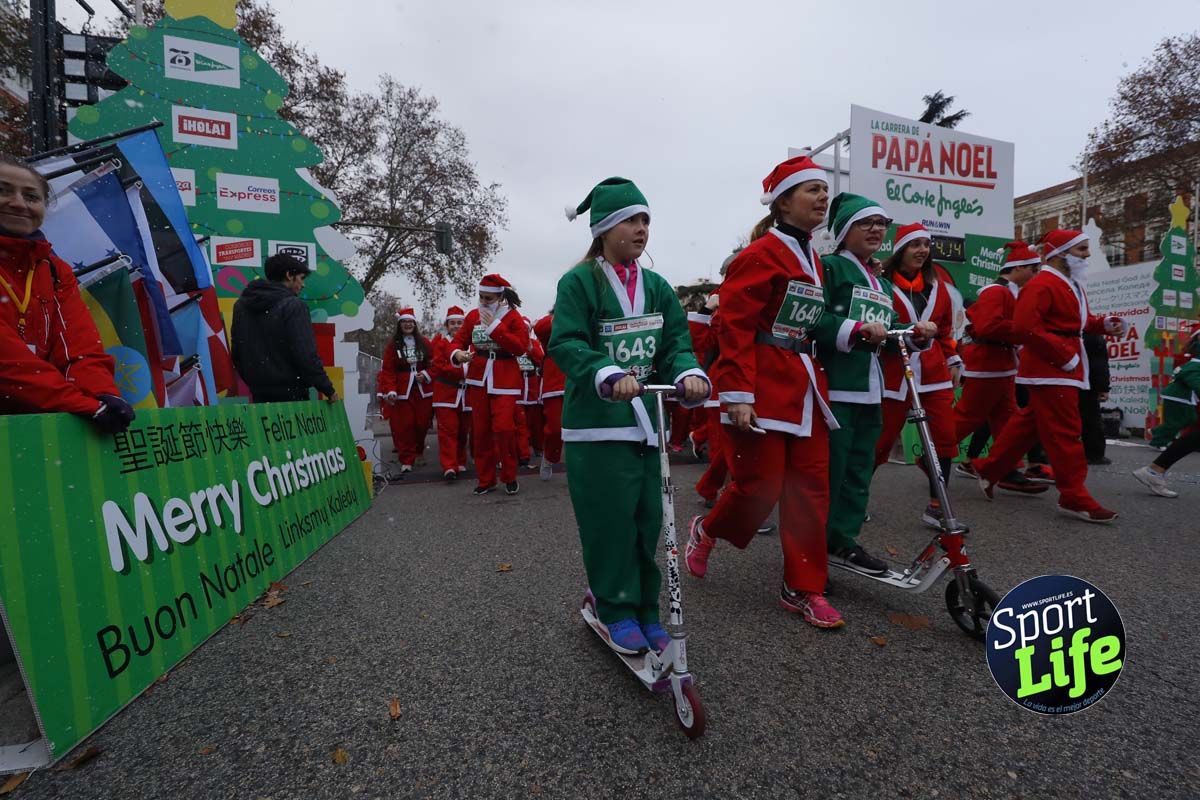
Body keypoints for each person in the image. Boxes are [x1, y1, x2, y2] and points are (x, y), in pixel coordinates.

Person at [685, 158, 854, 629]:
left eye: (825, 189)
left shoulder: (813, 258)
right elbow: (734, 326)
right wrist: (737, 393)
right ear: (782, 201)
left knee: (810, 492)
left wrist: (855, 331)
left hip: (804, 388)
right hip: (759, 386)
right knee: (757, 491)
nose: (823, 197)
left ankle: (804, 588)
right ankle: (707, 528)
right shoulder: (759, 254)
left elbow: (810, 323)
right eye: (812, 190)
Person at [551, 176, 708, 654]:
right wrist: (606, 371)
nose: (641, 229)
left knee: (647, 521)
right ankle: (612, 606)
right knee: (609, 523)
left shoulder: (658, 288)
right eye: (630, 221)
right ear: (603, 229)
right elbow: (566, 342)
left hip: (646, 425)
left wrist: (688, 373)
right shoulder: (579, 281)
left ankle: (645, 609)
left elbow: (676, 345)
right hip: (597, 429)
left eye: (645, 220)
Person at [970, 229, 1125, 523]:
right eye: (1081, 249)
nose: (1087, 254)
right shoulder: (1042, 284)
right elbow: (1024, 327)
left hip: (1062, 366)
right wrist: (1063, 356)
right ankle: (1073, 495)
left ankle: (988, 468)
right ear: (1060, 253)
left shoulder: (1071, 284)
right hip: (1052, 368)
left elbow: (1079, 323)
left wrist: (1105, 323)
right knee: (1066, 431)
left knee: (1029, 425)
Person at [0, 156, 134, 432]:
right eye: (3, 190)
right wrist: (81, 404)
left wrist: (102, 393)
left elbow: (79, 346)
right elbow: (7, 363)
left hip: (31, 427)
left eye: (31, 196)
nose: (18, 203)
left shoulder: (53, 269)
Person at [874, 223, 962, 528]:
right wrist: (908, 333)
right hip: (895, 373)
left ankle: (937, 506)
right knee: (880, 443)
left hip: (933, 372)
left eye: (926, 244)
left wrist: (953, 359)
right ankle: (852, 500)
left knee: (945, 438)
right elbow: (874, 326)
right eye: (915, 244)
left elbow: (947, 332)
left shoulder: (940, 288)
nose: (922, 250)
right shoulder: (881, 284)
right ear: (901, 251)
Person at [951, 241, 1045, 494]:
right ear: (1019, 267)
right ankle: (932, 454)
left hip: (1000, 365)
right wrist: (1025, 332)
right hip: (988, 364)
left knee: (1007, 420)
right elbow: (988, 327)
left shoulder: (1010, 292)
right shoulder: (996, 291)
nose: (1036, 275)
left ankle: (1008, 470)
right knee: (969, 417)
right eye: (1034, 269)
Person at [450, 274, 530, 495]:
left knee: (504, 429)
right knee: (481, 432)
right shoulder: (473, 316)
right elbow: (459, 340)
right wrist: (457, 353)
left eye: (488, 297)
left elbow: (520, 348)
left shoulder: (513, 317)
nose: (484, 301)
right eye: (481, 296)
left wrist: (495, 327)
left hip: (505, 378)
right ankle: (486, 479)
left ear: (500, 296)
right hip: (478, 377)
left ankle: (509, 475)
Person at [231, 253, 337, 405]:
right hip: (293, 397)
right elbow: (306, 355)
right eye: (301, 278)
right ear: (289, 275)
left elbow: (237, 354)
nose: (303, 285)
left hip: (258, 397)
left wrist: (256, 383)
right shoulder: (293, 306)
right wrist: (328, 389)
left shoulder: (241, 306)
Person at [1133, 329, 1200, 497]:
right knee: (1191, 434)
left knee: (1193, 434)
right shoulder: (1193, 363)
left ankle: (1154, 470)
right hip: (1183, 399)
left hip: (1185, 399)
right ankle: (1154, 470)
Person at [376, 308, 434, 475]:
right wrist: (390, 390)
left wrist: (427, 375)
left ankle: (419, 450)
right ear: (399, 324)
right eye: (404, 322)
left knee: (422, 424)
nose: (408, 324)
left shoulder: (424, 342)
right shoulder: (393, 346)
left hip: (423, 390)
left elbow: (434, 363)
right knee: (405, 425)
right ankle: (406, 459)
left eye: (410, 322)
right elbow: (388, 369)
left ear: (414, 324)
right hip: (403, 390)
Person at [429, 306, 472, 480]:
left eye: (459, 323)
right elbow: (439, 366)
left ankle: (460, 461)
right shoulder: (440, 342)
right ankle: (449, 466)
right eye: (452, 323)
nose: (456, 326)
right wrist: (463, 372)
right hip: (446, 394)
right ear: (447, 325)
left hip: (467, 395)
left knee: (463, 430)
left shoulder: (471, 343)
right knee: (448, 431)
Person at [533, 311, 565, 480]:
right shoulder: (551, 322)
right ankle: (550, 456)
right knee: (555, 428)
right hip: (554, 381)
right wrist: (563, 314)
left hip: (580, 377)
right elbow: (539, 328)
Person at [1080, 331, 1111, 464]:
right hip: (1087, 383)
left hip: (1062, 380)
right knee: (1091, 418)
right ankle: (1094, 454)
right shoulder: (1092, 334)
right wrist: (1103, 387)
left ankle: (1045, 454)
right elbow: (1099, 363)